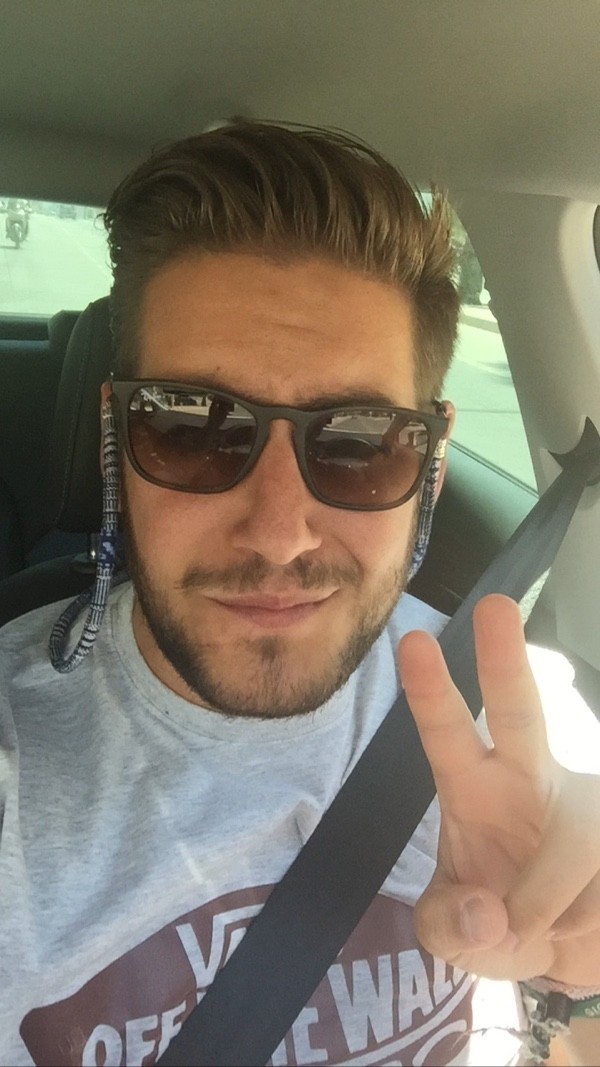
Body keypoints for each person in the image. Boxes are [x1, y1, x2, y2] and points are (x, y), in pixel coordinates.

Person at [1, 122, 599, 1067]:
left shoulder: (528, 730)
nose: (280, 533)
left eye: (360, 442)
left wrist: (580, 977)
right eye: (194, 428)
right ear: (116, 438)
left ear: (433, 462)